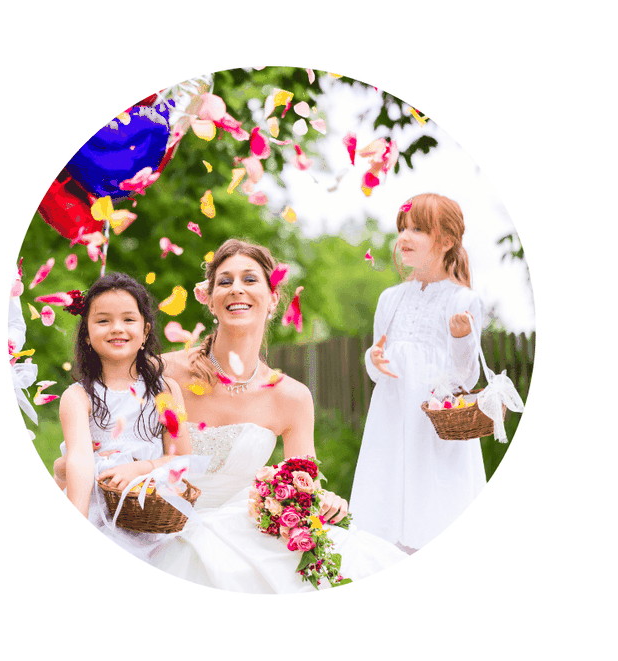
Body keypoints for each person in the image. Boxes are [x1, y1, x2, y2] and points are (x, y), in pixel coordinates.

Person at [138, 238, 405, 592]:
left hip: (245, 532)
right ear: (210, 299)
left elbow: (303, 483)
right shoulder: (163, 371)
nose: (237, 290)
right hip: (161, 528)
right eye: (225, 281)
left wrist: (323, 499)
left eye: (250, 280)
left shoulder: (292, 397)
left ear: (274, 298)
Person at [349, 193, 486, 554]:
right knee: (385, 502)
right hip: (391, 423)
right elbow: (379, 363)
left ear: (446, 241)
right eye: (402, 228)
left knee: (435, 505)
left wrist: (460, 338)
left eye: (418, 230)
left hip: (433, 429)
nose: (405, 237)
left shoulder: (463, 301)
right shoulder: (390, 298)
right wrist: (372, 358)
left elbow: (466, 377)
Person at [57, 272, 191, 555]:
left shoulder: (167, 390)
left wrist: (139, 468)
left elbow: (182, 457)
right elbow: (80, 459)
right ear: (87, 335)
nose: (117, 328)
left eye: (129, 319)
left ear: (145, 332)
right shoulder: (78, 397)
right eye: (103, 320)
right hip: (97, 513)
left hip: (152, 516)